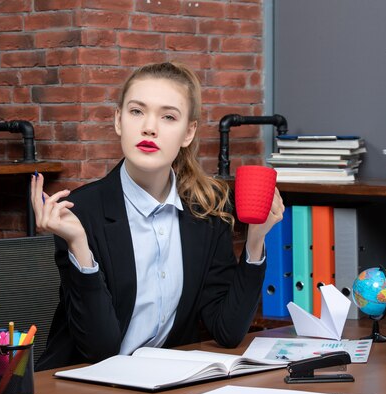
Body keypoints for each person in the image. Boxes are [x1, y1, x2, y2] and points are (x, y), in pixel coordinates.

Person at [31, 61, 284, 370]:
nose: (149, 127)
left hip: (161, 386)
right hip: (79, 390)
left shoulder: (206, 210)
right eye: (137, 112)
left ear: (188, 132)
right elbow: (100, 351)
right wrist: (79, 246)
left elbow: (227, 330)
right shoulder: (80, 212)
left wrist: (256, 239)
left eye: (168, 117)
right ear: (118, 121)